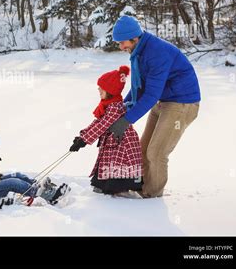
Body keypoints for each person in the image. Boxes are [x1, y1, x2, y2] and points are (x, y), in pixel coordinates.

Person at [107, 15, 200, 198]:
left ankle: (152, 197)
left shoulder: (156, 52)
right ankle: (141, 187)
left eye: (122, 42)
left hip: (182, 104)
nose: (120, 47)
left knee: (156, 152)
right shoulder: (140, 52)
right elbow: (140, 88)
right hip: (163, 101)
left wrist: (125, 121)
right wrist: (120, 107)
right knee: (143, 150)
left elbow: (150, 95)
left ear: (134, 38)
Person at [69, 66, 143, 197]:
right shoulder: (108, 104)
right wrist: (82, 137)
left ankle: (118, 192)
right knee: (110, 168)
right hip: (114, 143)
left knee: (118, 170)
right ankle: (108, 188)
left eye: (101, 88)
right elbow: (98, 122)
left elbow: (103, 125)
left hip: (122, 144)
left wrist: (85, 141)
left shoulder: (114, 107)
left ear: (110, 90)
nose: (98, 90)